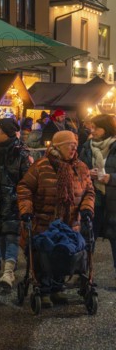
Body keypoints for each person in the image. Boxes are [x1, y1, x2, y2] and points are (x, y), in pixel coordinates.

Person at [17, 130, 95, 307]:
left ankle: (57, 289)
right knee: (44, 255)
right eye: (70, 145)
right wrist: (26, 210)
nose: (74, 149)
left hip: (70, 224)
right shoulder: (41, 166)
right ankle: (44, 290)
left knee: (64, 255)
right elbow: (24, 188)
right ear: (58, 147)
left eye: (75, 145)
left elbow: (89, 191)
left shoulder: (80, 168)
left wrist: (87, 208)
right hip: (43, 223)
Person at [0, 118, 32, 288]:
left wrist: (23, 201)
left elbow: (27, 181)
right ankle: (4, 265)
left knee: (11, 235)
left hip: (13, 202)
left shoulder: (21, 154)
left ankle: (8, 272)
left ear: (7, 133)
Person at [79, 114, 116, 277]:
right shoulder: (87, 146)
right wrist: (87, 172)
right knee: (87, 236)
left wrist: (110, 178)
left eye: (96, 127)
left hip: (113, 200)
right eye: (91, 127)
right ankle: (84, 273)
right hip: (93, 198)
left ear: (106, 128)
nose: (92, 130)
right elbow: (77, 168)